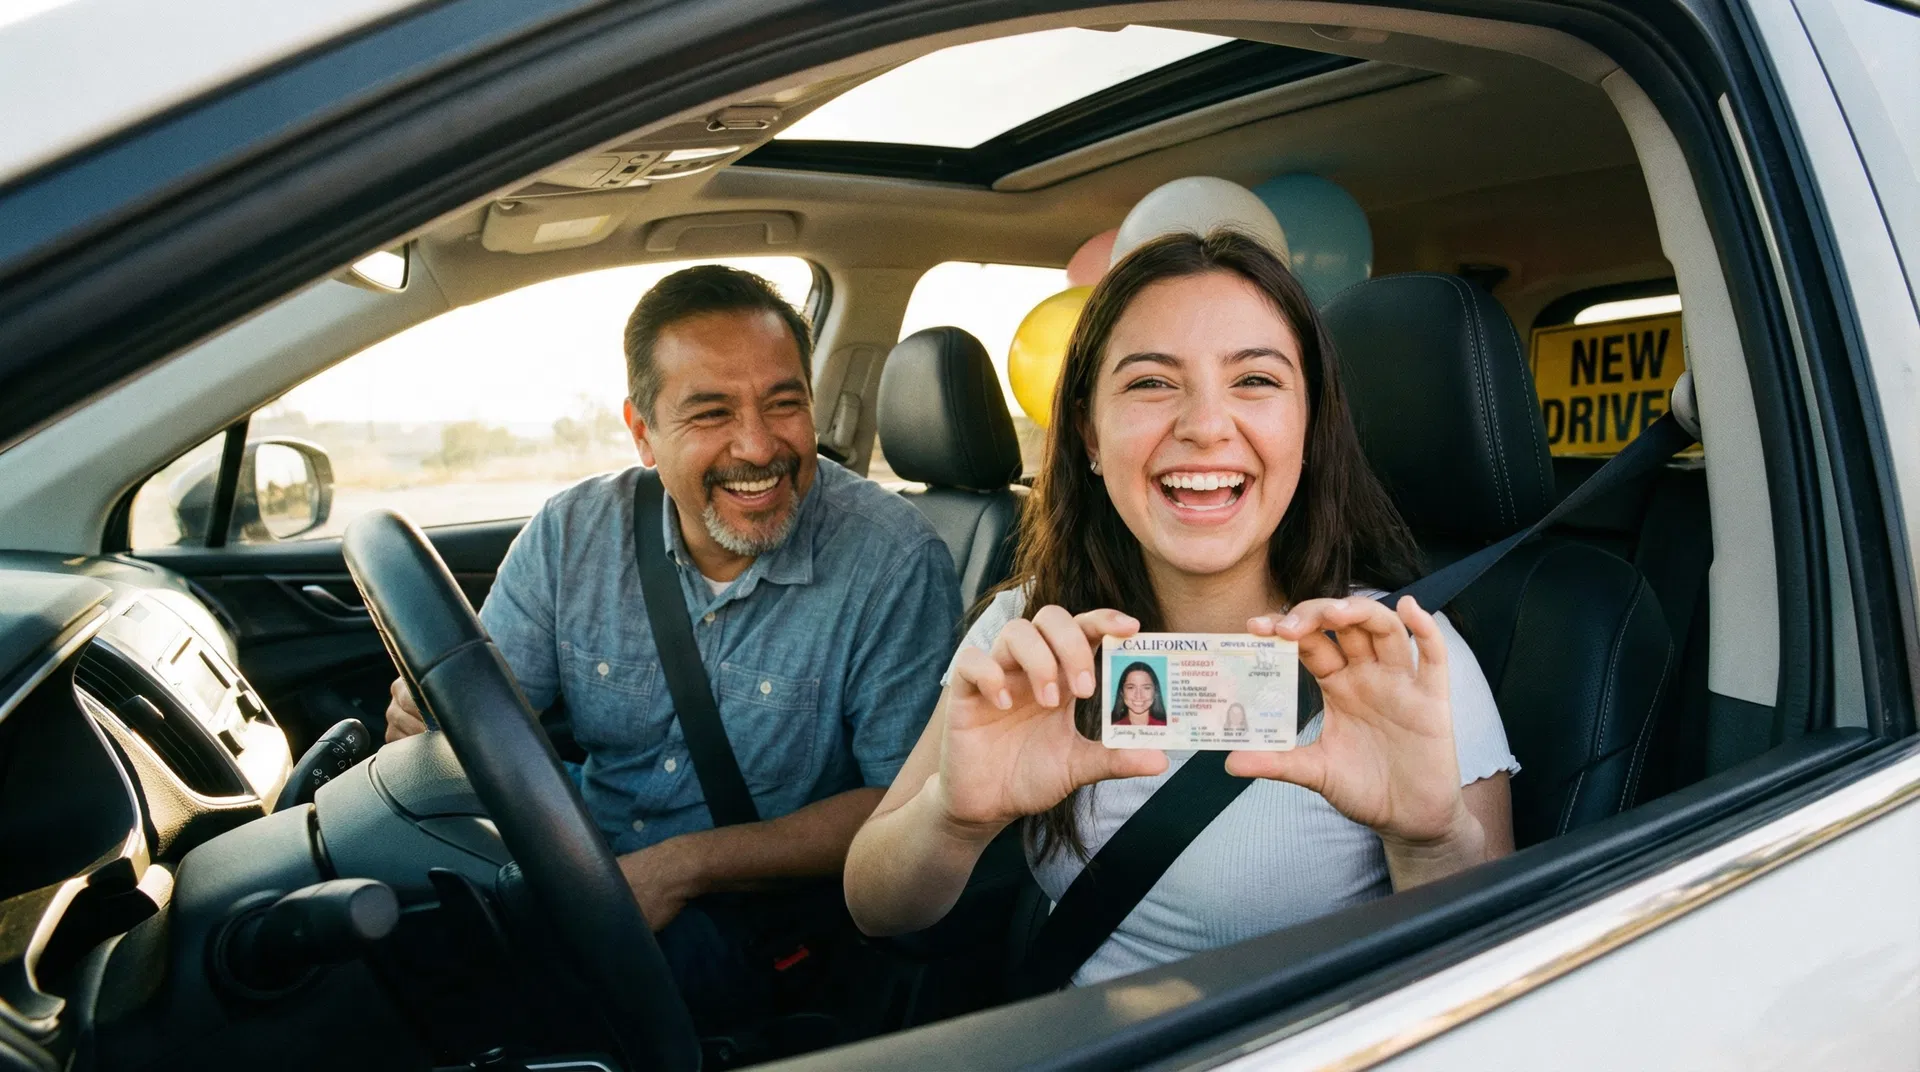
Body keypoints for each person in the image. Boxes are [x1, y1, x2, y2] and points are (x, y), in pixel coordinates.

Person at [843, 230, 1516, 987]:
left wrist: (1427, 845)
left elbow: (1486, 991)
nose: (1204, 425)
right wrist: (953, 818)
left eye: (1256, 380)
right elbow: (876, 908)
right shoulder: (1035, 635)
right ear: (1090, 436)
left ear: (1308, 427)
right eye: (1151, 383)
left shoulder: (1401, 658)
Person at [386, 264, 962, 1023]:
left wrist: (682, 869)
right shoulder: (571, 533)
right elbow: (491, 719)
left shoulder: (891, 560)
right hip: (580, 860)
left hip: (761, 921)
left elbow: (905, 804)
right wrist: (432, 725)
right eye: (711, 413)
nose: (758, 447)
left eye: (784, 403)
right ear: (642, 433)